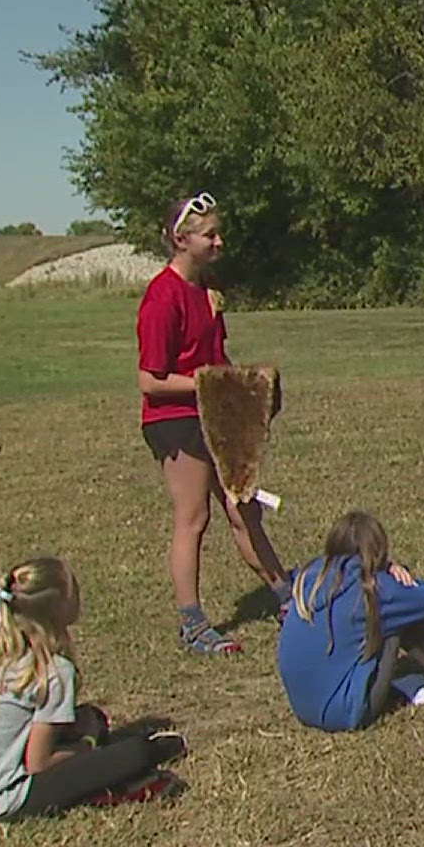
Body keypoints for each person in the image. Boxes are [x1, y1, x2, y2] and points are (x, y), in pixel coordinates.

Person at [136, 191, 288, 655]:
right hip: (175, 419)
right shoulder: (163, 296)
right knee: (193, 518)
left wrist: (249, 389)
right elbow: (151, 380)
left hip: (213, 416)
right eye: (210, 234)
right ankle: (193, 623)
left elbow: (213, 361)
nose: (219, 241)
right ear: (181, 239)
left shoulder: (207, 290)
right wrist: (213, 385)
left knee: (244, 508)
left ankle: (288, 599)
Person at [0, 558, 188, 820]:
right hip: (3, 798)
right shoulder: (54, 672)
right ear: (58, 608)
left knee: (89, 716)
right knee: (136, 752)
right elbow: (37, 765)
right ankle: (125, 775)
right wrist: (86, 745)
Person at [277, 513, 424, 732]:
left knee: (391, 612)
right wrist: (394, 572)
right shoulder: (372, 589)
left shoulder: (309, 577)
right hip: (346, 713)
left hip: (303, 708)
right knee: (397, 614)